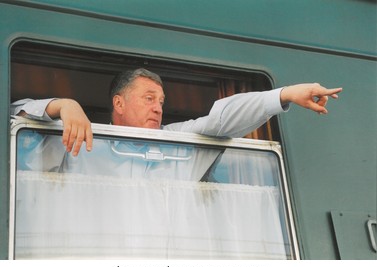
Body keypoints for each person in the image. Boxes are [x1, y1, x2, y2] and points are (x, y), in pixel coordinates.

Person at [11, 68, 342, 156]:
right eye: (149, 98)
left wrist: (283, 95)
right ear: (119, 104)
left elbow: (221, 119)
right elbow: (15, 114)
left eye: (162, 101)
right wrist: (64, 106)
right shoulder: (83, 137)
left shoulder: (175, 138)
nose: (158, 107)